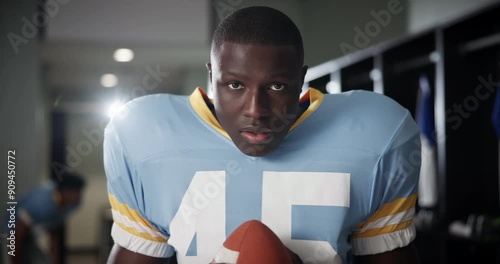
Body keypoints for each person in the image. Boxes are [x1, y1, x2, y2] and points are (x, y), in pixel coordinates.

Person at [104, 6, 421, 264]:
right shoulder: (142, 136)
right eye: (235, 85)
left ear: (301, 79)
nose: (256, 111)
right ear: (211, 77)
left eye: (277, 85)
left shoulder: (378, 134)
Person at [3, 172, 85, 264]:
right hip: (11, 233)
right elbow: (17, 235)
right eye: (76, 192)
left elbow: (55, 232)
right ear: (65, 191)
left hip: (29, 233)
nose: (79, 196)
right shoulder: (41, 204)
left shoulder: (71, 204)